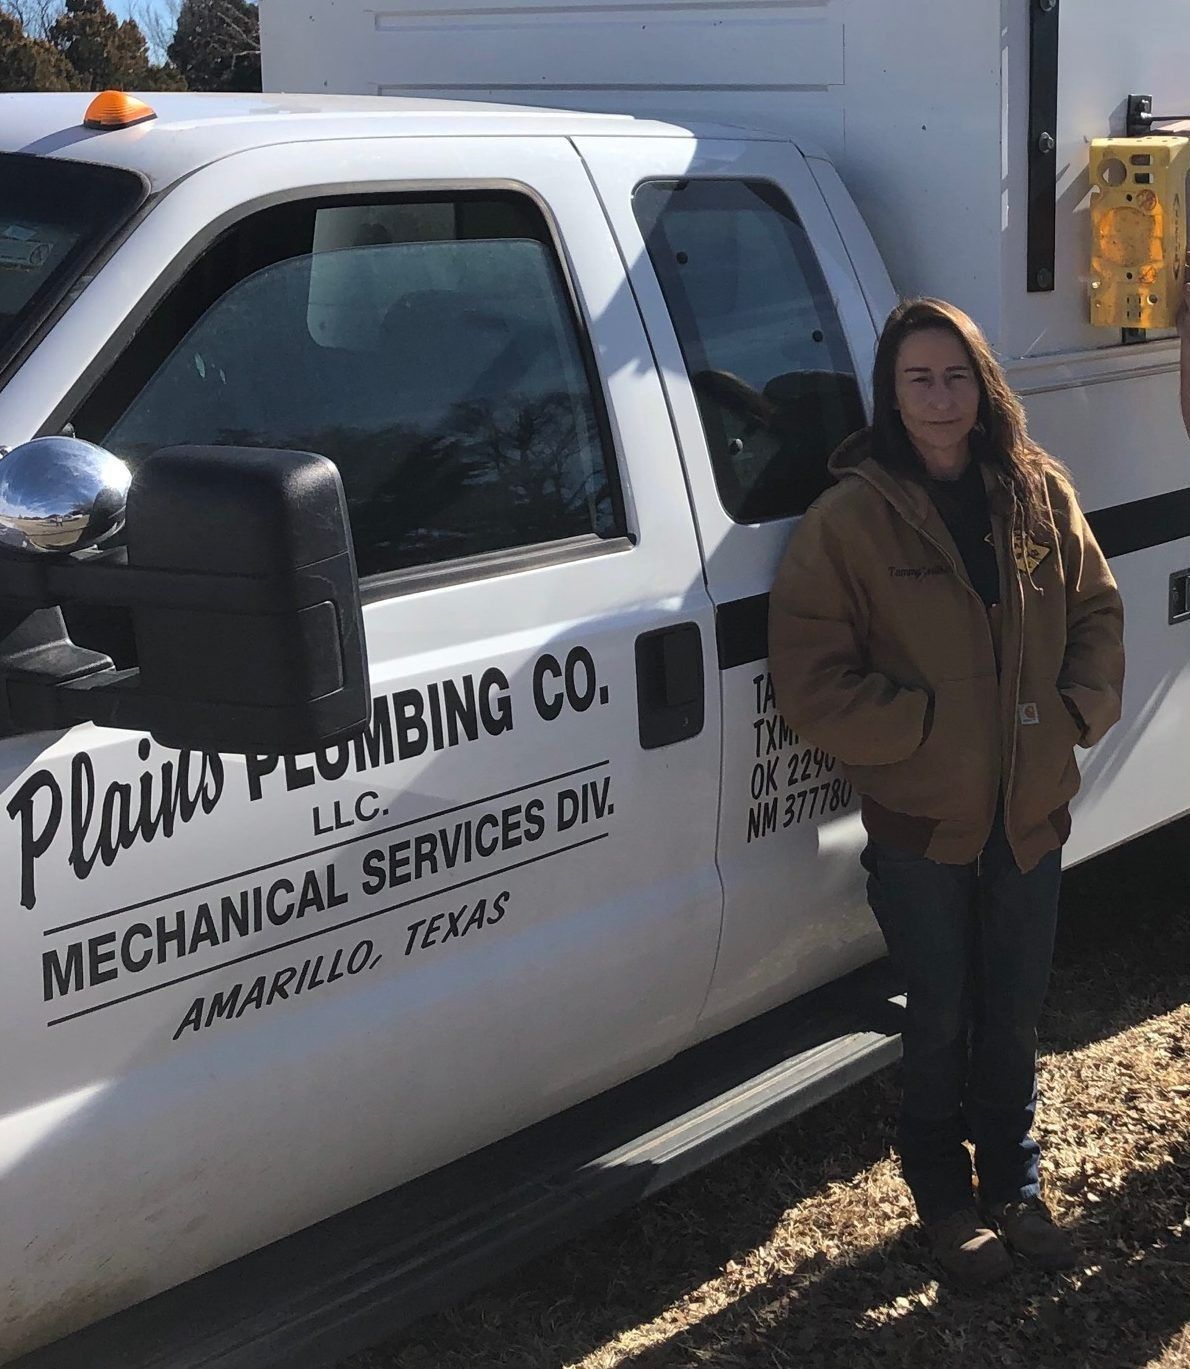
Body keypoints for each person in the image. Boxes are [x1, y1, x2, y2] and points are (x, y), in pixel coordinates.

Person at [768, 298, 1125, 1288]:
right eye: (917, 378)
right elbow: (809, 674)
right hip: (920, 827)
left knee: (1010, 1012)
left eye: (955, 375)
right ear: (889, 393)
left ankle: (1012, 1179)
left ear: (981, 386)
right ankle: (940, 1189)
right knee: (938, 1015)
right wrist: (919, 736)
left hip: (1028, 817)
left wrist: (1074, 713)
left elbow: (1095, 609)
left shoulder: (1033, 493)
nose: (938, 396)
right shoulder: (847, 519)